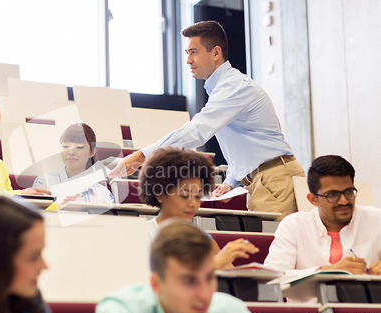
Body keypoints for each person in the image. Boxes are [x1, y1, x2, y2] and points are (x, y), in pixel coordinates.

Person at [109, 20, 304, 221]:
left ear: (216, 53)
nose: (188, 61)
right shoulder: (223, 87)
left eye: (194, 52)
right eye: (187, 53)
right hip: (264, 179)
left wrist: (142, 155)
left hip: (274, 179)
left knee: (277, 249)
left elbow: (197, 131)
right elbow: (247, 145)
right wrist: (231, 180)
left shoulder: (233, 86)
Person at [86, 221, 276, 313]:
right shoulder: (124, 311)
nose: (204, 294)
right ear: (156, 284)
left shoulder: (228, 311)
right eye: (189, 281)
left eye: (209, 278)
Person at [139, 147, 258, 269]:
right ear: (160, 194)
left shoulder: (200, 236)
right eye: (185, 196)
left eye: (197, 196)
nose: (193, 204)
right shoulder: (142, 234)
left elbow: (231, 274)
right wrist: (212, 264)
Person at [264, 155, 381, 275]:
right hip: (309, 294)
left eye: (348, 192)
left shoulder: (376, 219)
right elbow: (273, 276)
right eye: (332, 195)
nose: (344, 201)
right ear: (313, 199)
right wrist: (326, 271)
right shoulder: (294, 225)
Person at [33, 123, 114, 204]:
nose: (71, 152)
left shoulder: (103, 194)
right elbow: (34, 215)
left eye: (79, 147)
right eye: (65, 146)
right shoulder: (44, 182)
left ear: (92, 152)